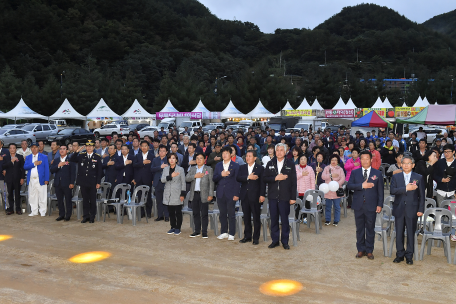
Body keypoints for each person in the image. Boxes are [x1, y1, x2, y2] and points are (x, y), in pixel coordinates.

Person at [347, 151, 384, 260]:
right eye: (362, 158)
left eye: (367, 158)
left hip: (371, 205)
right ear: (360, 160)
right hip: (358, 204)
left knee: (370, 228)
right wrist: (362, 185)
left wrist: (380, 204)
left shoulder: (377, 173)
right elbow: (349, 186)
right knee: (359, 228)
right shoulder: (355, 172)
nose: (365, 161)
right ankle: (360, 249)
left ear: (371, 159)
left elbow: (380, 191)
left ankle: (369, 250)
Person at [390, 155, 425, 265]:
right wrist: (405, 188)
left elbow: (422, 196)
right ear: (401, 164)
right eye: (403, 163)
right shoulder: (396, 177)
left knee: (410, 233)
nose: (406, 165)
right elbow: (392, 191)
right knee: (399, 232)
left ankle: (409, 255)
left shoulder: (418, 177)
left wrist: (421, 209)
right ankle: (399, 254)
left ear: (413, 165)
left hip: (412, 209)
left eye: (408, 163)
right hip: (399, 208)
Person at [262, 143, 297, 250]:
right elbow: (265, 178)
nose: (279, 152)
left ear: (286, 151)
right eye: (277, 150)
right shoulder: (270, 163)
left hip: (285, 197)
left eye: (281, 150)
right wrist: (275, 178)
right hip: (272, 196)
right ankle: (275, 240)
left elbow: (293, 182)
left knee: (285, 220)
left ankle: (285, 241)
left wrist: (293, 197)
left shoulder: (290, 164)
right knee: (274, 219)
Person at [69, 140, 102, 223]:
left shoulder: (97, 157)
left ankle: (92, 217)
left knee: (93, 200)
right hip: (83, 181)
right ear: (85, 147)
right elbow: (72, 159)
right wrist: (76, 152)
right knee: (85, 200)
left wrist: (98, 182)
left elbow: (99, 171)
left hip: (93, 182)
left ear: (94, 147)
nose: (89, 147)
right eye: (87, 146)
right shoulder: (81, 155)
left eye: (91, 146)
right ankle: (85, 216)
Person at [236, 150, 265, 245]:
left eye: (250, 156)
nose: (247, 158)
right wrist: (248, 177)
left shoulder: (260, 168)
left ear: (255, 158)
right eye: (246, 156)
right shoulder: (242, 167)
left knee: (256, 217)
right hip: (244, 195)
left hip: (255, 196)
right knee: (246, 217)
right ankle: (247, 236)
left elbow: (262, 183)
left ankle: (256, 238)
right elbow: (238, 178)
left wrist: (262, 195)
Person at [213, 146, 240, 241]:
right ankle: (224, 232)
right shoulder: (218, 165)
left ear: (231, 154)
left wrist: (237, 194)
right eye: (223, 153)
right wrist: (221, 175)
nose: (224, 155)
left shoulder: (235, 165)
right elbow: (214, 178)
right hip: (220, 192)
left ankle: (232, 233)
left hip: (231, 193)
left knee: (231, 214)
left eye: (227, 153)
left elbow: (237, 181)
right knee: (222, 213)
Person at [186, 152, 214, 239]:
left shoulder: (208, 169)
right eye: (197, 158)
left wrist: (211, 194)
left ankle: (204, 232)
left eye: (200, 158)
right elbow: (187, 178)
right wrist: (195, 176)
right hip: (194, 194)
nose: (199, 160)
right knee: (195, 213)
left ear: (204, 160)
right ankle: (197, 231)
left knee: (204, 214)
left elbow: (211, 183)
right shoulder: (193, 169)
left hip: (204, 195)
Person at [161, 153, 186, 235]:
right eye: (170, 158)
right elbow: (162, 180)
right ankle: (172, 227)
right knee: (171, 212)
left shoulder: (180, 169)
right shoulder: (165, 169)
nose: (171, 160)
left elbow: (183, 182)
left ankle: (178, 228)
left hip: (177, 193)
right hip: (168, 193)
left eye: (173, 158)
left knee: (178, 211)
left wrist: (183, 194)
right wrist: (170, 176)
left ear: (176, 160)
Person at [50, 145, 76, 221]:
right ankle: (61, 214)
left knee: (68, 200)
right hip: (58, 183)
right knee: (59, 200)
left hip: (67, 183)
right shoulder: (56, 160)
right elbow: (52, 170)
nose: (62, 150)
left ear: (67, 151)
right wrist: (58, 165)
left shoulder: (70, 160)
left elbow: (73, 172)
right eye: (60, 149)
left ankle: (68, 215)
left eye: (64, 149)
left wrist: (72, 183)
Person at [24, 143, 50, 217]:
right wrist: (34, 164)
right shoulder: (28, 157)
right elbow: (25, 167)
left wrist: (46, 179)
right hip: (32, 179)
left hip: (40, 179)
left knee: (42, 196)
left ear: (38, 148)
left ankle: (42, 211)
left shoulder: (44, 157)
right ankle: (34, 211)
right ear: (31, 149)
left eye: (35, 147)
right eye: (32, 147)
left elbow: (46, 168)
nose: (34, 149)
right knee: (32, 196)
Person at [133, 140, 155, 218]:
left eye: (146, 146)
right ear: (140, 147)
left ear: (148, 147)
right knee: (139, 196)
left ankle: (148, 212)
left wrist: (153, 179)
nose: (144, 147)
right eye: (142, 146)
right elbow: (134, 165)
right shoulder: (137, 156)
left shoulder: (152, 156)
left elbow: (153, 169)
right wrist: (143, 162)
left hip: (148, 178)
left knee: (148, 196)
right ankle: (141, 212)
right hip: (139, 178)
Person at [322, 154, 345, 226]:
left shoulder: (340, 169)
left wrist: (336, 185)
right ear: (330, 161)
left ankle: (336, 220)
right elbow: (323, 177)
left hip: (337, 190)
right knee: (328, 206)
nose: (334, 161)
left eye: (335, 160)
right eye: (332, 160)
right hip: (328, 190)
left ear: (338, 161)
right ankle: (328, 219)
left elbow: (343, 178)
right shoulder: (326, 168)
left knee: (337, 206)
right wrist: (331, 176)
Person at [3, 144, 25, 215]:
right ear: (9, 149)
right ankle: (11, 209)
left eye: (14, 148)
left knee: (17, 194)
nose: (12, 149)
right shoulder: (6, 157)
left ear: (16, 149)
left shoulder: (20, 157)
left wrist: (22, 178)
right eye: (11, 148)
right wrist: (11, 161)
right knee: (9, 194)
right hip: (9, 179)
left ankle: (18, 209)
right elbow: (3, 166)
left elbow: (22, 169)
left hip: (17, 178)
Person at [433, 144, 456, 208]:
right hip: (441, 192)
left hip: (453, 192)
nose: (446, 153)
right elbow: (434, 175)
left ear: (453, 152)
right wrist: (441, 179)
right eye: (445, 152)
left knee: (453, 214)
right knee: (442, 213)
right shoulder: (440, 162)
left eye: (448, 151)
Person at [150, 145, 169, 221]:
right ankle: (160, 215)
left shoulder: (169, 159)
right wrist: (160, 167)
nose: (161, 152)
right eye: (160, 151)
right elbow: (152, 169)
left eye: (163, 151)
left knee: (166, 200)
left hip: (166, 182)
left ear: (166, 152)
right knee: (159, 200)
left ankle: (167, 216)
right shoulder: (155, 160)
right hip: (157, 182)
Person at [296, 154, 315, 224]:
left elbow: (312, 181)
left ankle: (305, 218)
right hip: (298, 191)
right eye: (301, 159)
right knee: (298, 206)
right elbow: (293, 178)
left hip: (307, 192)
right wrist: (301, 174)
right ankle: (298, 218)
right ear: (299, 160)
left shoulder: (310, 169)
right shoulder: (295, 168)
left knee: (307, 205)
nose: (303, 161)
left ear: (307, 160)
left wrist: (312, 191)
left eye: (304, 159)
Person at [0, 140, 10, 207]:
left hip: (3, 176)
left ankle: (7, 207)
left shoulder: (6, 151)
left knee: (5, 192)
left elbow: (8, 162)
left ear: (1, 145)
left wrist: (6, 170)